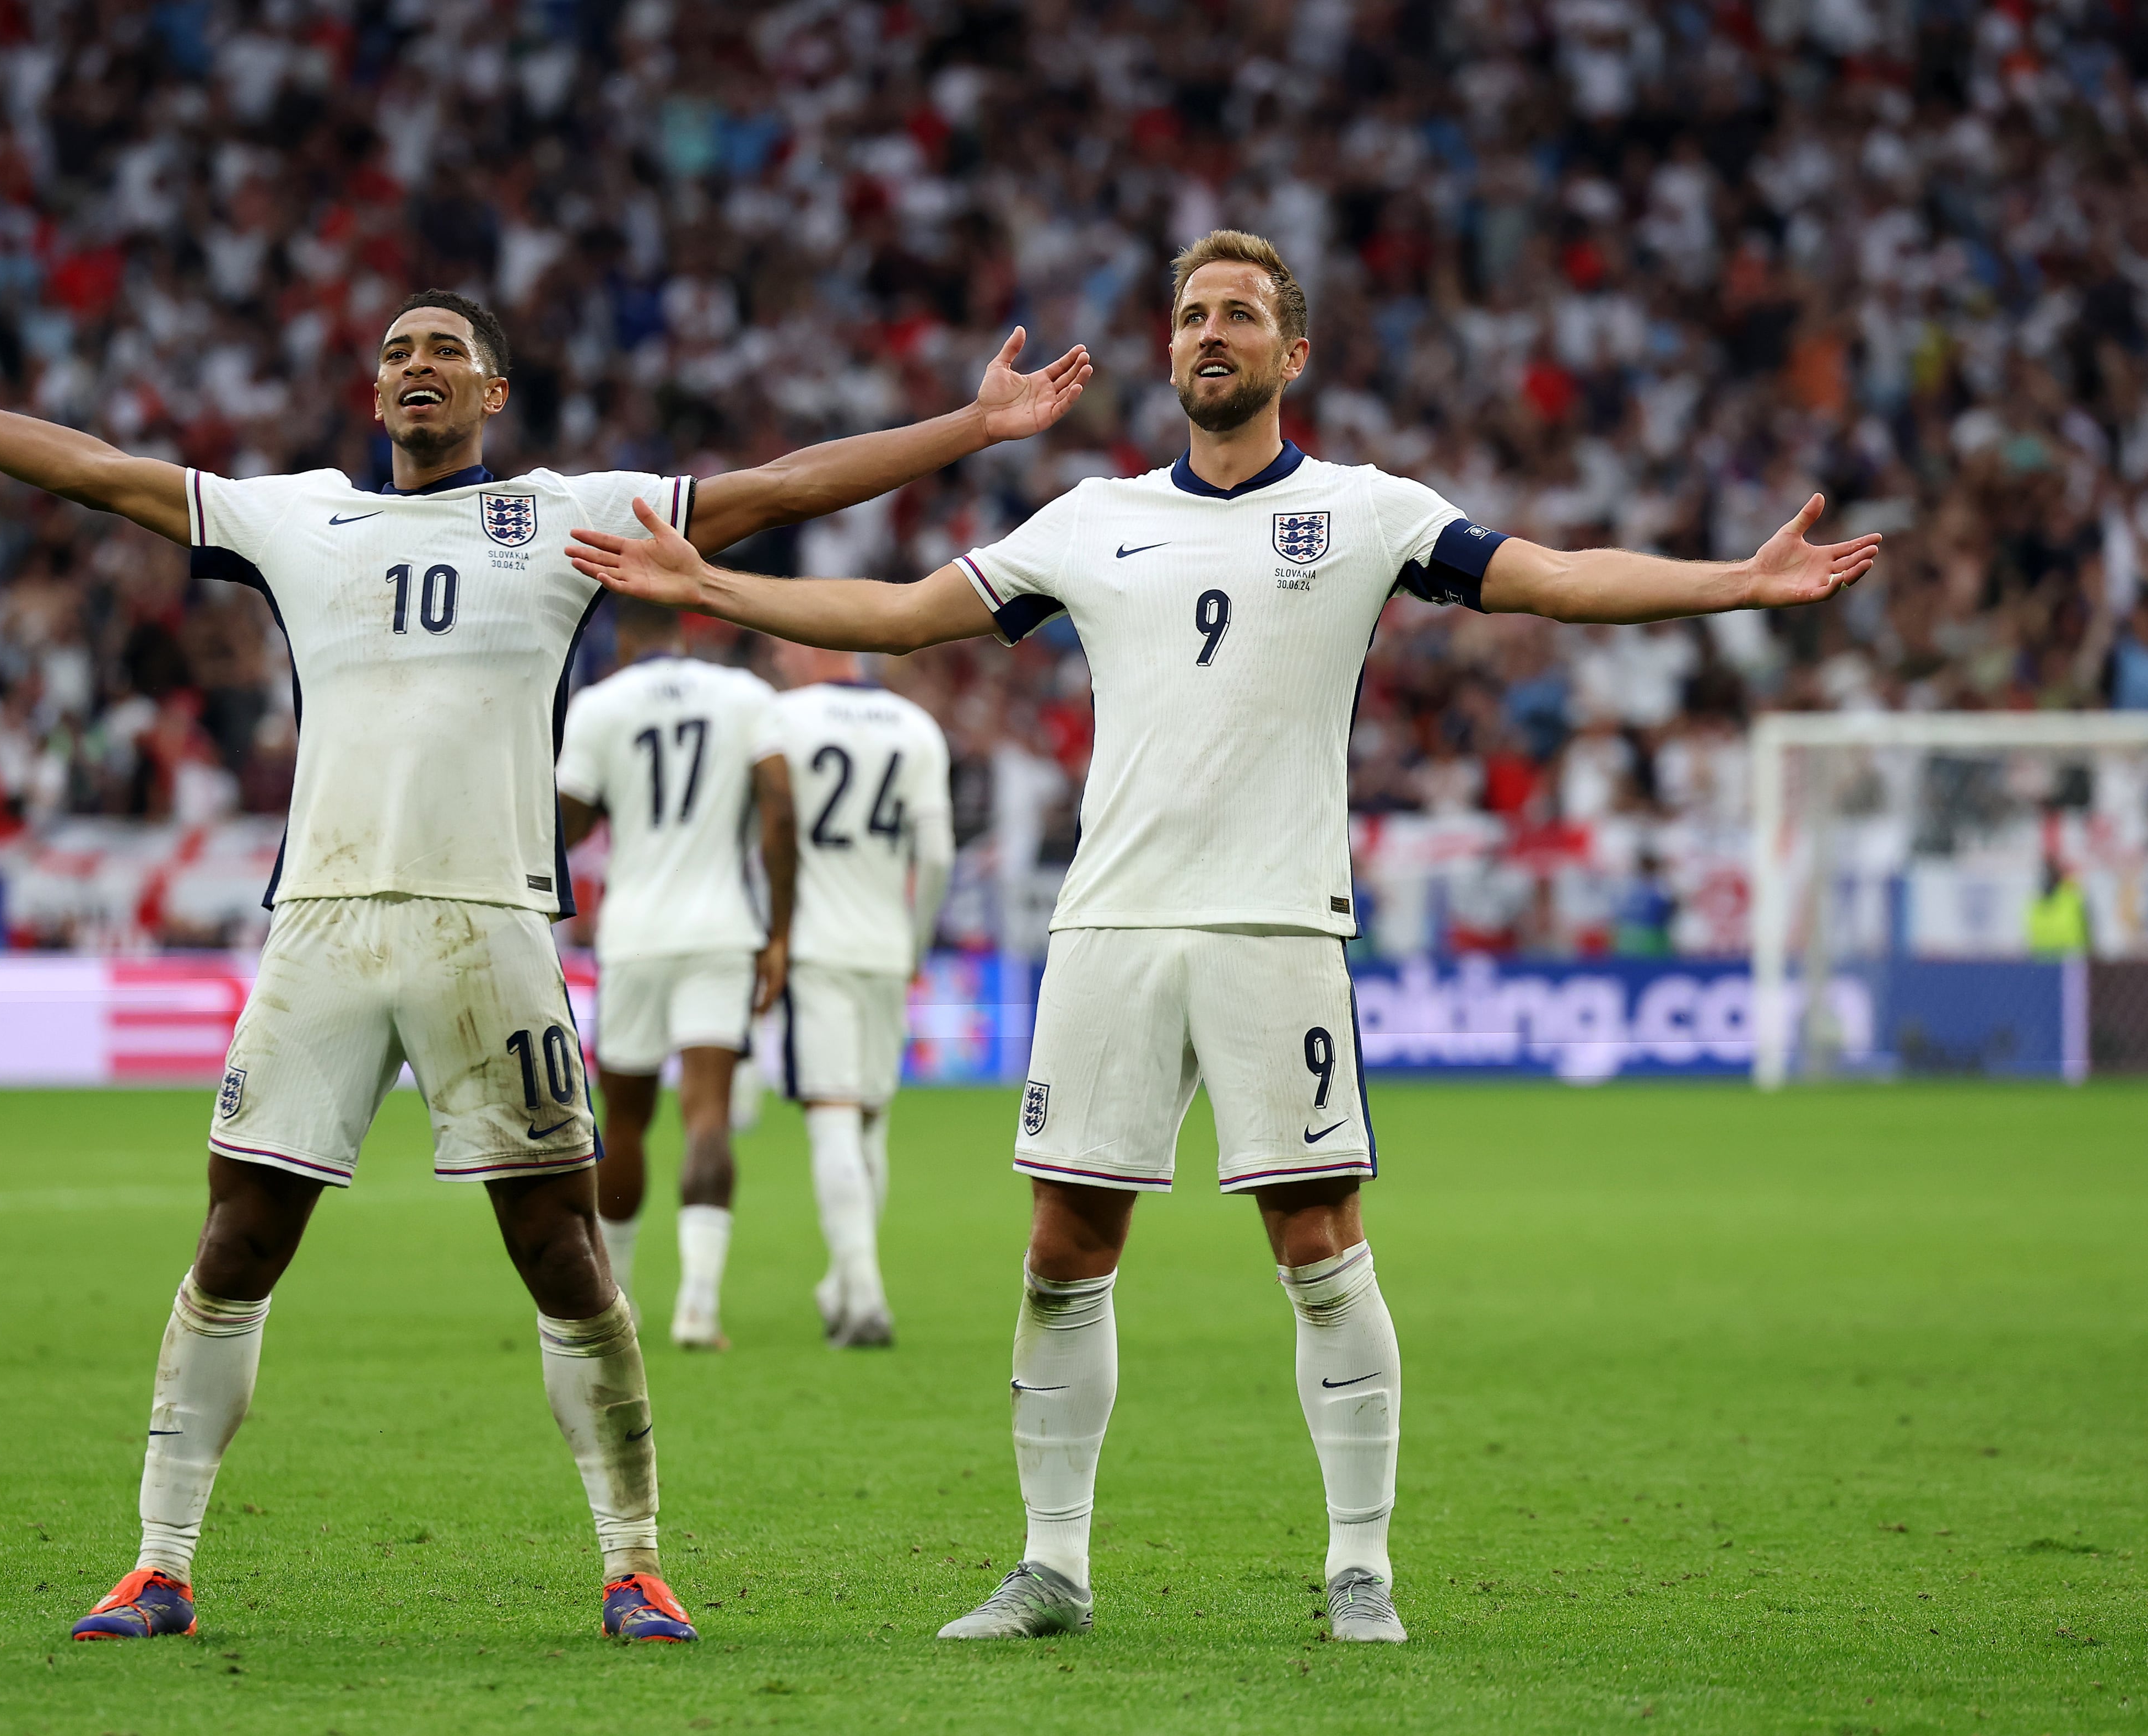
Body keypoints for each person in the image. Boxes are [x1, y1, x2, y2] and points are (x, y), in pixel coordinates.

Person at [566, 228, 1879, 1645]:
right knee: (1065, 1241)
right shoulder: (1089, 519)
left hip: (1274, 925)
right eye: (1191, 313)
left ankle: (1358, 1565)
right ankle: (1051, 1566)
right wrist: (712, 590)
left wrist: (1730, 583)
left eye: (1240, 315)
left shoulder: (1370, 514)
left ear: (1289, 354)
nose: (1211, 332)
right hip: (1112, 925)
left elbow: (1550, 576)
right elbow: (898, 616)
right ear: (1168, 346)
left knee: (1318, 1238)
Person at [0, 283, 1089, 1645]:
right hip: (325, 924)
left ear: (492, 396)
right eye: (397, 353)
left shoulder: (565, 514)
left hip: (491, 928)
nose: (417, 368)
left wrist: (970, 423)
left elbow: (774, 490)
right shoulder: (301, 515)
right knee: (239, 1236)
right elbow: (97, 472)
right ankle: (159, 1562)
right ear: (374, 397)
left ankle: (635, 1562)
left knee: (561, 1246)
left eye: (447, 354)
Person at [556, 601, 792, 1349]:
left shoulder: (600, 705)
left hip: (634, 935)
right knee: (708, 1114)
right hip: (722, 928)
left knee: (623, 1122)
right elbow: (780, 812)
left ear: (625, 638)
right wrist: (780, 931)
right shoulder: (745, 697)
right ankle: (698, 1306)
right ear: (686, 627)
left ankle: (614, 1300)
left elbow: (570, 825)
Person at [751, 641, 952, 1348]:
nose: (778, 656)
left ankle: (863, 1296)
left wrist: (766, 930)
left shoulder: (779, 717)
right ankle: (845, 1282)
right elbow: (935, 856)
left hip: (817, 942)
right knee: (870, 1120)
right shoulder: (915, 725)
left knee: (832, 1118)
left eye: (784, 646)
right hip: (884, 945)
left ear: (808, 649)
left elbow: (766, 831)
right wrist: (916, 942)